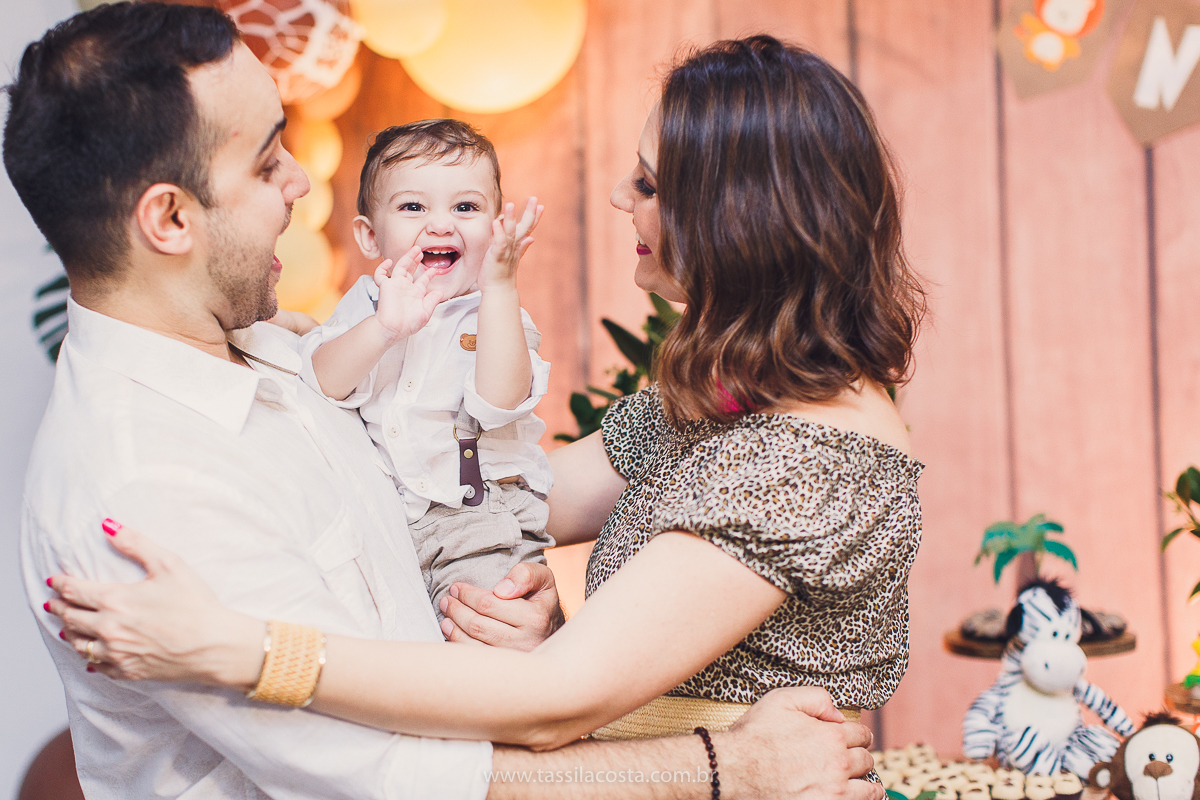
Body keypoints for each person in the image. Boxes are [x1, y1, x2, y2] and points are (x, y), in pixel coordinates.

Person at [9, 4, 878, 800]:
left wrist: (511, 590)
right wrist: (728, 768)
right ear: (168, 220)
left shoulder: (279, 354)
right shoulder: (148, 487)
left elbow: (485, 502)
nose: (302, 181)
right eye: (267, 157)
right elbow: (402, 776)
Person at [300, 120, 553, 622]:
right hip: (391, 528)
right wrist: (383, 329)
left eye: (466, 207)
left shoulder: (497, 315)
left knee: (488, 638)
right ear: (370, 237)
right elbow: (322, 380)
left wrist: (500, 286)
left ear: (493, 226)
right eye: (413, 206)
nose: (441, 224)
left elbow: (498, 403)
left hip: (479, 526)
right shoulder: (367, 305)